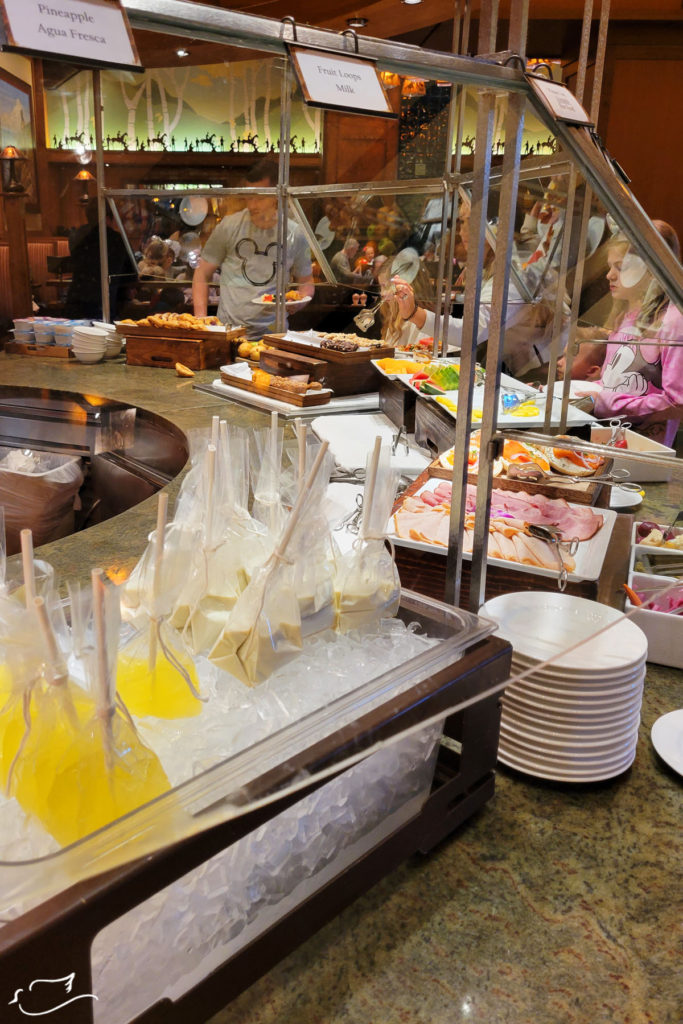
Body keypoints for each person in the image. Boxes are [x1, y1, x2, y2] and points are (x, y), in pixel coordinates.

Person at [391, 202, 547, 369]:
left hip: (533, 368)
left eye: (469, 221)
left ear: (495, 225)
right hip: (512, 360)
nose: (461, 231)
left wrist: (414, 313)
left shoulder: (512, 273)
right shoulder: (491, 264)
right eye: (461, 222)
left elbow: (471, 331)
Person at [192, 159, 314, 338]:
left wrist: (299, 302)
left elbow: (306, 281)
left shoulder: (295, 233)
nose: (252, 205)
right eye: (249, 197)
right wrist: (201, 321)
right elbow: (202, 273)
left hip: (274, 334)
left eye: (260, 197)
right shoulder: (229, 226)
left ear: (276, 195)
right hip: (229, 332)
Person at [591, 220, 683, 447]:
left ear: (652, 269)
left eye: (621, 267)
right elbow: (614, 382)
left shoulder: (673, 321)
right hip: (608, 438)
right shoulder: (624, 315)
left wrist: (606, 403)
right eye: (610, 266)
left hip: (643, 449)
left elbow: (677, 402)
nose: (609, 276)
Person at [64, 198, 136, 321]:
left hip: (76, 301)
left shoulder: (77, 235)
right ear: (108, 217)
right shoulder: (117, 240)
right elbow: (131, 275)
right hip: (104, 303)